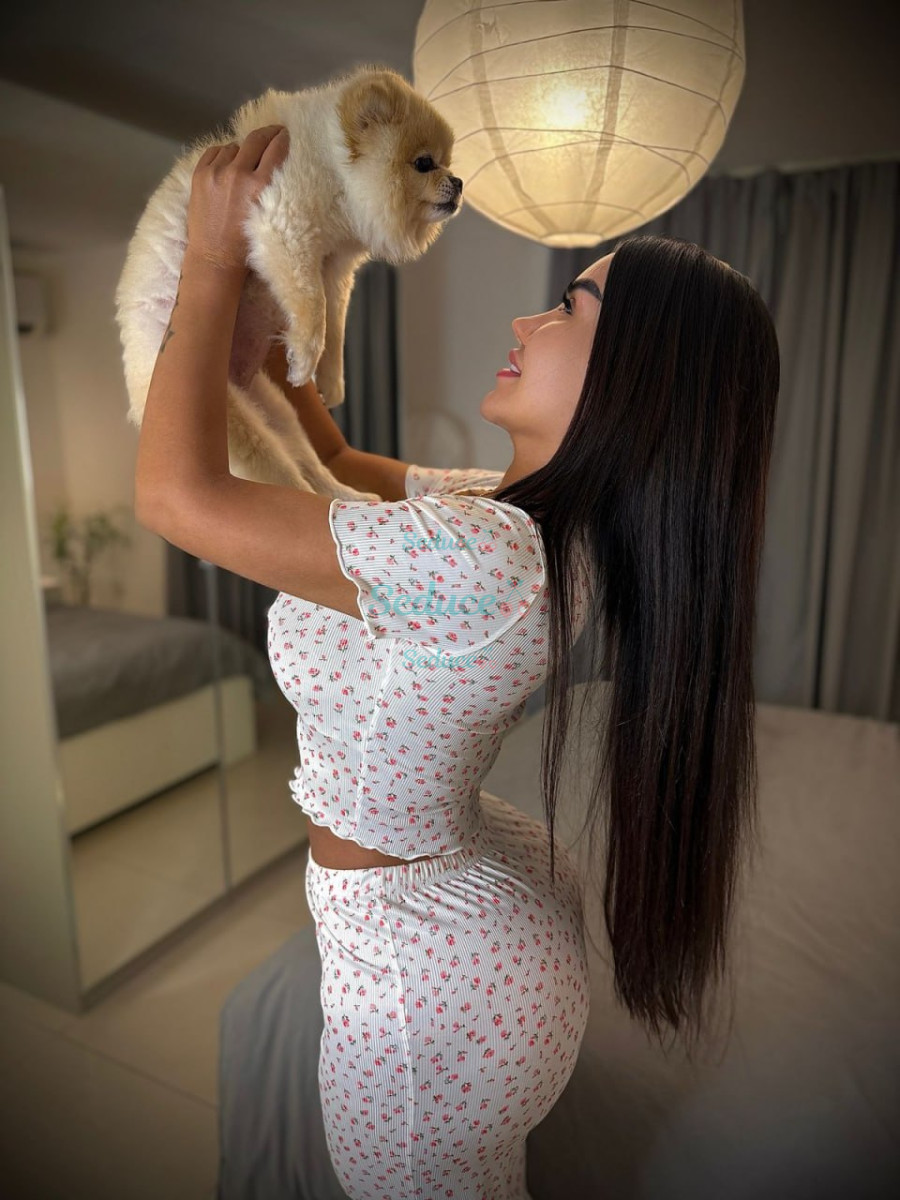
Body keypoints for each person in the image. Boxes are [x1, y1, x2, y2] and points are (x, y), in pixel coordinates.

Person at [134, 126, 780, 1199]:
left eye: (570, 307)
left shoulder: (483, 555)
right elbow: (335, 461)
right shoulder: (514, 520)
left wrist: (207, 263)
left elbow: (174, 499)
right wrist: (274, 336)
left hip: (427, 971)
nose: (528, 321)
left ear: (643, 381)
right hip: (477, 918)